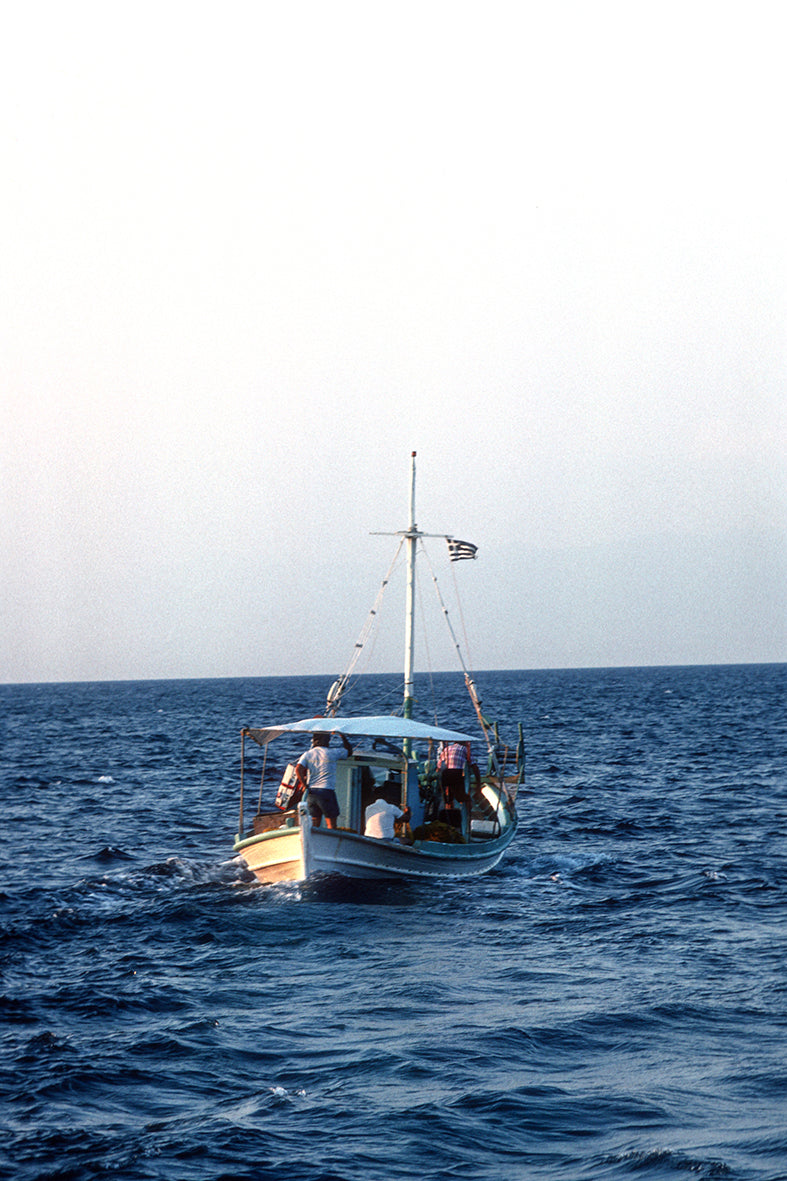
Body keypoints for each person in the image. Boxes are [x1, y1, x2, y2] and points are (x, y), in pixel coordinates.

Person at [296, 731, 353, 829]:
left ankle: (313, 839)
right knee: (331, 825)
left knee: (314, 825)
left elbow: (298, 769)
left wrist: (304, 785)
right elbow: (349, 752)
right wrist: (343, 737)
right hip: (326, 792)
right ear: (326, 740)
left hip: (312, 793)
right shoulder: (332, 753)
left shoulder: (307, 754)